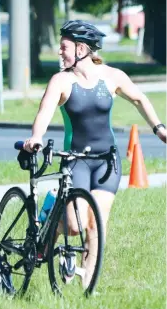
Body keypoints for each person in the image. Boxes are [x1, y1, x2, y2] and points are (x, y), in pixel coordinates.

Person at [24, 20, 166, 287]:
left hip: (106, 162)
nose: (60, 52)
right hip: (75, 160)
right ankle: (51, 214)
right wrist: (37, 137)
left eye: (64, 47)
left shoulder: (112, 76)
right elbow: (44, 112)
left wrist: (159, 128)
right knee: (75, 226)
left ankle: (88, 286)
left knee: (96, 223)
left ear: (81, 49)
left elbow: (138, 98)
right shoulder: (61, 81)